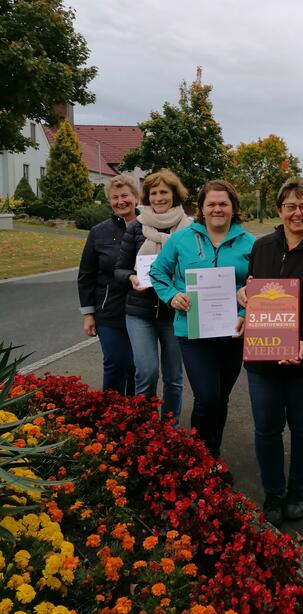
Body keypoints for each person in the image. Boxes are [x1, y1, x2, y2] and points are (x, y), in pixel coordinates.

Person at [239, 177, 303, 527]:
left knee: (302, 426)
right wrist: (245, 300)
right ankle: (273, 491)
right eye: (290, 206)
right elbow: (254, 288)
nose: (297, 213)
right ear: (279, 210)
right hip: (262, 354)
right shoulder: (263, 246)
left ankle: (298, 490)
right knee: (266, 427)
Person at [150, 179, 255, 462]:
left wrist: (245, 314)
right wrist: (172, 295)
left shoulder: (251, 243)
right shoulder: (182, 239)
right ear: (201, 208)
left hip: (233, 331)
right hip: (192, 331)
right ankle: (197, 457)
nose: (217, 209)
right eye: (212, 204)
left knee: (221, 398)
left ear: (234, 208)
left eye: (224, 203)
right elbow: (158, 272)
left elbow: (258, 285)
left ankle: (213, 457)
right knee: (206, 397)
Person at [114, 168, 189, 424]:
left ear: (174, 194)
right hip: (140, 312)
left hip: (176, 313)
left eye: (164, 192)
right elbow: (120, 269)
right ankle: (143, 430)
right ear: (147, 196)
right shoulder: (136, 228)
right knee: (146, 373)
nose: (159, 197)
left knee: (174, 378)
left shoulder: (189, 229)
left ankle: (170, 429)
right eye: (154, 192)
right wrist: (132, 277)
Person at [78, 175, 138, 394]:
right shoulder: (98, 232)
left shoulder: (150, 228)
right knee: (116, 362)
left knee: (137, 366)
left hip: (143, 309)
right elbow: (86, 275)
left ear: (136, 197)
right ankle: (110, 415)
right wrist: (88, 314)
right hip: (109, 311)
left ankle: (134, 414)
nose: (120, 201)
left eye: (125, 195)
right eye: (115, 197)